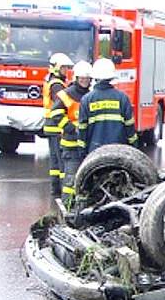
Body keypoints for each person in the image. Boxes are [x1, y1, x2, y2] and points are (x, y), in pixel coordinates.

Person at [44, 61, 92, 203]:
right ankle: (67, 207)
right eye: (82, 78)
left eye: (87, 78)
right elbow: (56, 113)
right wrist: (70, 128)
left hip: (85, 144)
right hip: (70, 143)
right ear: (76, 78)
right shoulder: (66, 94)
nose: (84, 81)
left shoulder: (90, 95)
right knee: (70, 180)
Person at [77, 58, 137, 157]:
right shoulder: (122, 98)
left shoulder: (86, 100)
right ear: (111, 77)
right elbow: (130, 127)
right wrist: (133, 147)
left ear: (95, 77)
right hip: (119, 150)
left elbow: (82, 129)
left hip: (94, 152)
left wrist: (82, 153)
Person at [42, 53, 73, 196]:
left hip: (50, 127)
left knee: (55, 162)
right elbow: (63, 103)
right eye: (64, 68)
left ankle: (55, 190)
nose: (66, 71)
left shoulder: (51, 81)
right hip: (56, 127)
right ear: (56, 68)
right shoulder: (57, 85)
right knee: (61, 162)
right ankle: (60, 191)